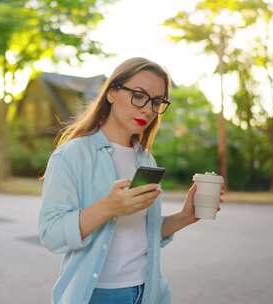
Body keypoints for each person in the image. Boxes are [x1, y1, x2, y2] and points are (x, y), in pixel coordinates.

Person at [38, 57, 225, 304]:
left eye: (157, 101)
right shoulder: (72, 155)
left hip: (147, 293)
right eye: (139, 95)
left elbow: (141, 234)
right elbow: (51, 234)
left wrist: (186, 217)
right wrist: (109, 207)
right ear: (112, 92)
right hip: (96, 296)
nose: (147, 109)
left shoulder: (145, 159)